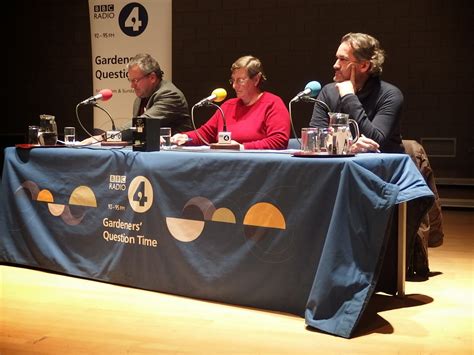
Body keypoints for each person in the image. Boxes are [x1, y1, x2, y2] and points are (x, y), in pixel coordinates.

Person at [310, 33, 404, 153]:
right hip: (338, 166)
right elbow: (315, 141)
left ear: (364, 65)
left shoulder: (390, 95)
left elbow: (375, 142)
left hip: (381, 168)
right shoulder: (328, 92)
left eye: (343, 59)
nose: (335, 65)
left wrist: (349, 97)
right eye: (337, 58)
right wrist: (349, 148)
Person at [171, 55, 290, 150]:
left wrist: (242, 148)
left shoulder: (272, 103)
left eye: (240, 80)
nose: (234, 86)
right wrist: (186, 137)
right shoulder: (228, 106)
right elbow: (205, 133)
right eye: (233, 80)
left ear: (256, 79)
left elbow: (279, 140)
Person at [83, 53, 192, 144]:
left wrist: (103, 137)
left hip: (175, 156)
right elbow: (136, 133)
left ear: (152, 77)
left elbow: (142, 124)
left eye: (135, 80)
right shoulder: (139, 99)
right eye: (130, 81)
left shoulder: (170, 94)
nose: (132, 86)